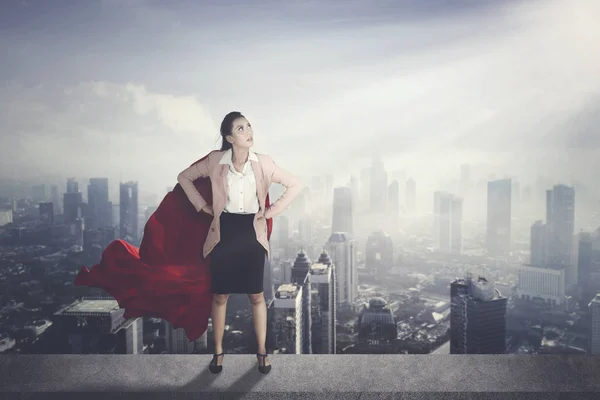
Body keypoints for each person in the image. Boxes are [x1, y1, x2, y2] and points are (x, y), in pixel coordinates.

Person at [176, 111, 304, 374]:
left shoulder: (264, 163)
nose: (248, 131)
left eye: (248, 126)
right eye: (240, 128)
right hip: (224, 231)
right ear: (229, 137)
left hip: (252, 233)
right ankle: (218, 354)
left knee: (256, 296)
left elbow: (295, 184)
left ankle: (262, 354)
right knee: (220, 295)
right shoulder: (215, 161)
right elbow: (184, 177)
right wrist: (202, 207)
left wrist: (270, 211)